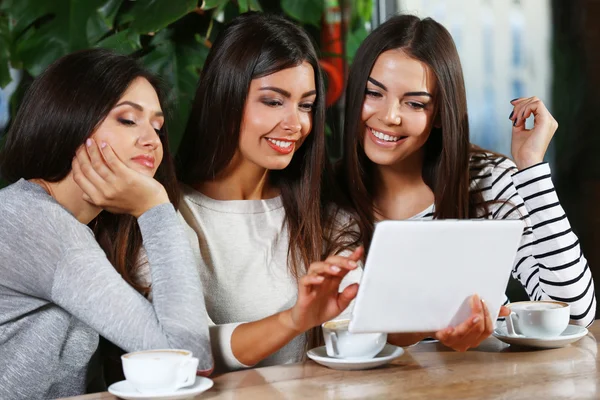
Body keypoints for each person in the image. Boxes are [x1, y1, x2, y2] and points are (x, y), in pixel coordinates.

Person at [336, 14, 596, 351]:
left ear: (441, 114)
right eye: (374, 93)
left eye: (414, 103)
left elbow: (575, 313)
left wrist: (531, 167)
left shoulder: (489, 183)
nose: (390, 116)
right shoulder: (326, 192)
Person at [0, 49, 212, 399]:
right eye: (128, 120)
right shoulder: (38, 224)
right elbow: (188, 361)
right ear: (70, 120)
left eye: (157, 127)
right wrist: (154, 207)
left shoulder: (73, 222)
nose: (151, 140)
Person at [175, 12, 362, 372]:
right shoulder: (170, 214)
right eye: (274, 101)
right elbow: (190, 348)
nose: (296, 124)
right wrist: (294, 320)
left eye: (305, 105)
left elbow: (362, 328)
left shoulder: (325, 212)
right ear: (225, 95)